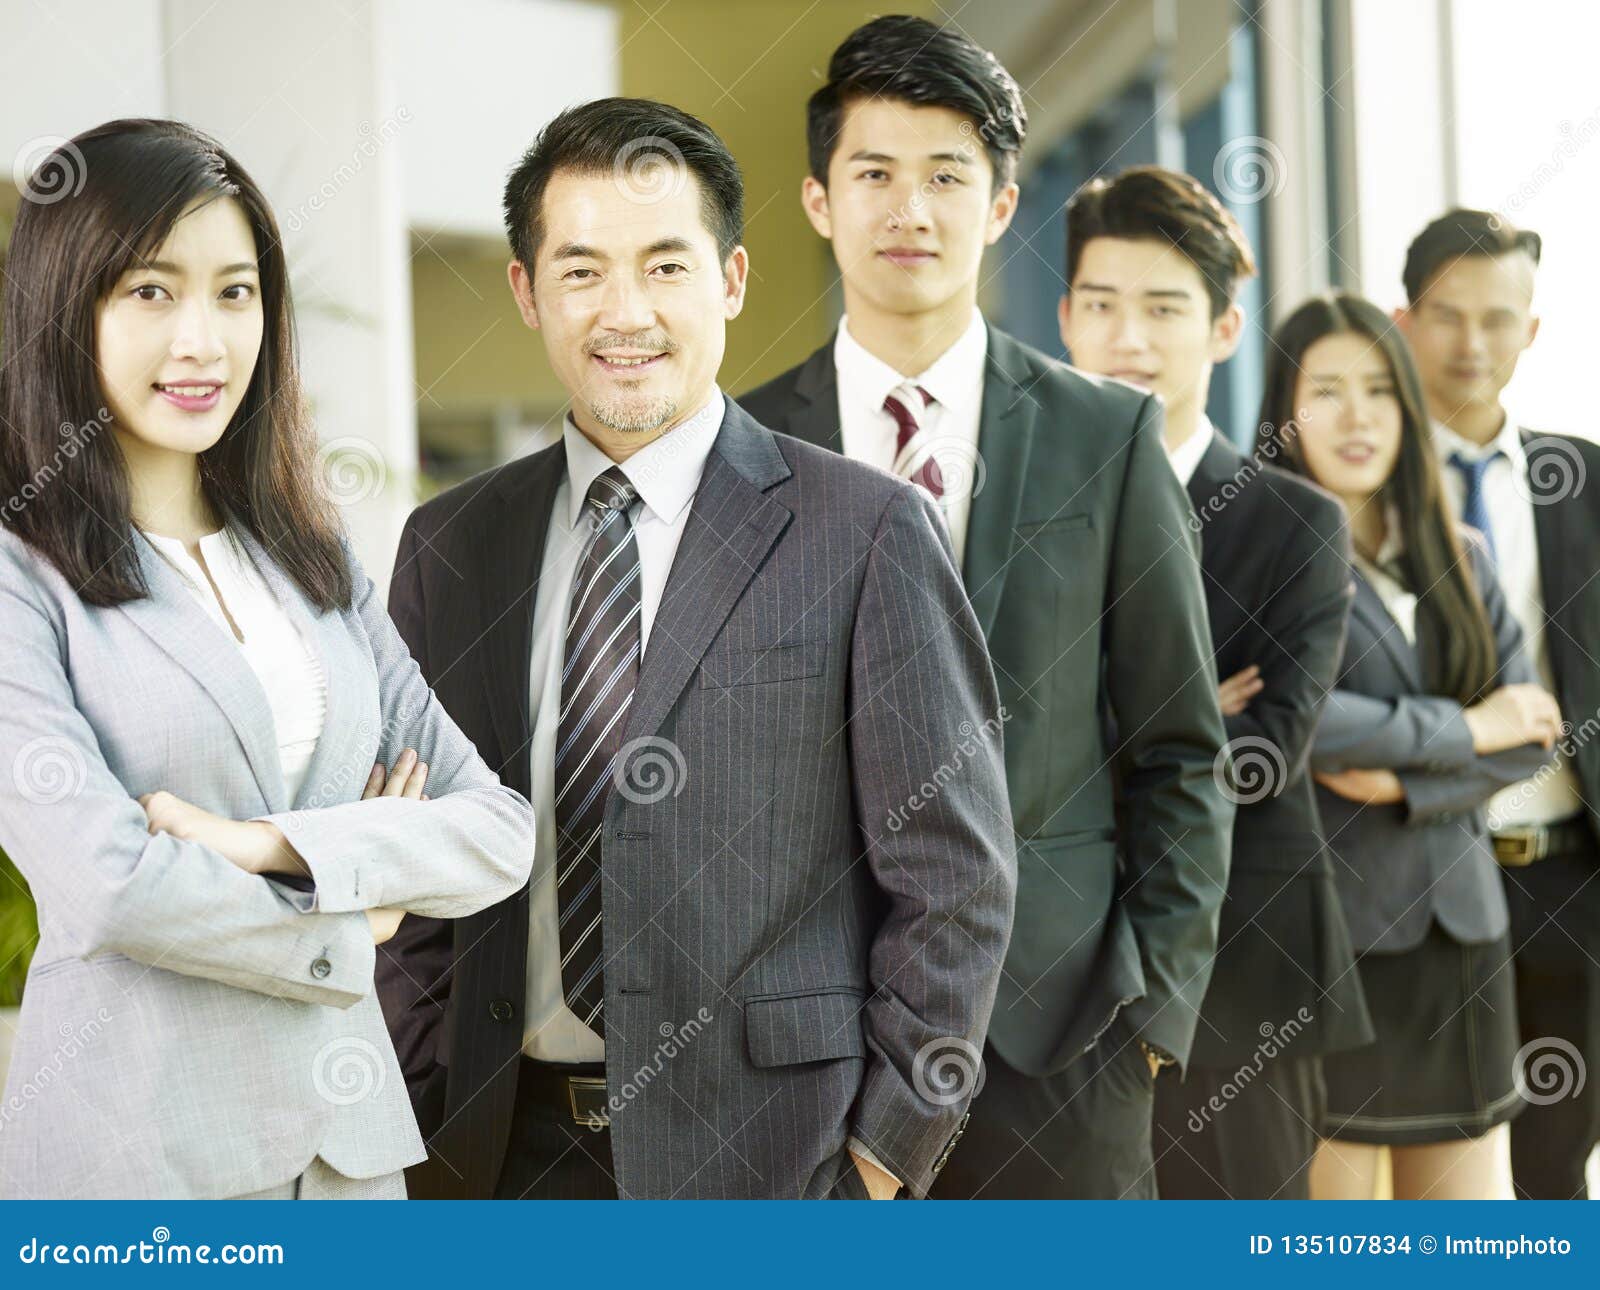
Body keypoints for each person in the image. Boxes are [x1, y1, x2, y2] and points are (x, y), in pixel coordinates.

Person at [374, 96, 1017, 1201]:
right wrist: (426, 1085)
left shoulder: (862, 531)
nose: (625, 312)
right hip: (491, 1159)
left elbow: (954, 875)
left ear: (729, 279)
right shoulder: (451, 542)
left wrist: (878, 1157)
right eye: (581, 271)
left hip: (772, 1159)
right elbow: (415, 849)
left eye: (665, 266)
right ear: (527, 292)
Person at [741, 17, 1232, 1199]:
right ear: (818, 201)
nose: (909, 209)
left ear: (1002, 205)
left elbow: (1178, 747)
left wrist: (1148, 1015)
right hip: (810, 1044)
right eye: (874, 175)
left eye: (946, 176)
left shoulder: (1102, 437)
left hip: (1059, 1038)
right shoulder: (739, 450)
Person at [0, 119, 534, 1200]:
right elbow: (110, 891)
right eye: (151, 291)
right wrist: (360, 912)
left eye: (235, 292)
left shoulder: (308, 553)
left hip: (347, 1162)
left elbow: (496, 830)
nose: (202, 340)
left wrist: (266, 846)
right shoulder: (20, 575)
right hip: (138, 1162)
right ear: (64, 308)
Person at [1058, 165, 1373, 1199]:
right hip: (1056, 970)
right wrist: (1161, 725)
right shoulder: (1023, 507)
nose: (1128, 340)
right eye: (1101, 307)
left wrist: (1078, 741)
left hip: (1249, 960)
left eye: (1163, 309)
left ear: (1224, 329)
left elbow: (1263, 753)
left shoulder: (1292, 521)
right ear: (1063, 319)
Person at [1258, 293, 1559, 1200]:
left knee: (1463, 1235)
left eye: (1381, 391)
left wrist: (1403, 782)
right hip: (1334, 942)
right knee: (1341, 1238)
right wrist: (1466, 728)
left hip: (1462, 935)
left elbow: (1533, 731)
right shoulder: (1259, 554)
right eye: (1330, 392)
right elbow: (1298, 718)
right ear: (1285, 410)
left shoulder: (1459, 552)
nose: (1357, 418)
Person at [1395, 209, 1600, 1198]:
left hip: (1567, 879)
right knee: (1430, 1167)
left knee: (1556, 1166)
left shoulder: (1586, 481)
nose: (1471, 343)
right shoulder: (1360, 486)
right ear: (1404, 320)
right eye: (1446, 315)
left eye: (1496, 317)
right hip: (1414, 875)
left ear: (1530, 328)